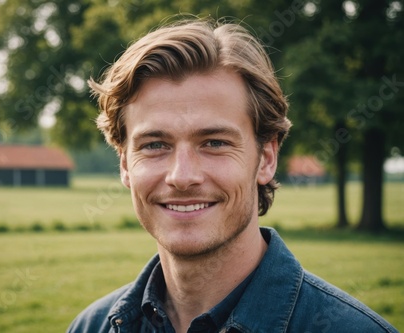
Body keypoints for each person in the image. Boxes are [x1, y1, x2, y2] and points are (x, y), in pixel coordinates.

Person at [68, 19, 398, 333]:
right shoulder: (90, 326)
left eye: (214, 142)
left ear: (266, 159)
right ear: (125, 164)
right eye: (155, 144)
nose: (182, 177)